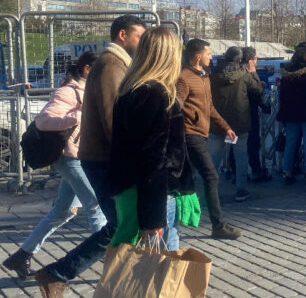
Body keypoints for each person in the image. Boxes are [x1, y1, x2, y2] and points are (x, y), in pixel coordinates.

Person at [35, 15, 146, 296]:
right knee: (122, 223)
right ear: (122, 35)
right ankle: (57, 273)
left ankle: (60, 271)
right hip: (103, 158)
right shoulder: (111, 65)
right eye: (138, 36)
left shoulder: (117, 63)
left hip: (100, 156)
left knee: (121, 223)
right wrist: (128, 160)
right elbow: (113, 119)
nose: (141, 42)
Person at [3, 52, 105, 279]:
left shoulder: (88, 90)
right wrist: (77, 118)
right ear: (88, 69)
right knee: (95, 204)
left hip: (80, 156)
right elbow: (44, 120)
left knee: (63, 211)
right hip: (69, 158)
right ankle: (110, 257)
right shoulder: (68, 91)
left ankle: (22, 255)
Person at [108, 27, 195, 251]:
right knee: (159, 266)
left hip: (132, 187)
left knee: (136, 257)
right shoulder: (158, 94)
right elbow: (154, 157)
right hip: (154, 193)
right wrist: (152, 216)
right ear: (169, 55)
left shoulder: (130, 90)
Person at [177, 39, 242, 240]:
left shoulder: (204, 76)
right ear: (197, 56)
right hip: (190, 135)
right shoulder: (183, 79)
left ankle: (176, 220)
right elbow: (175, 108)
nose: (211, 57)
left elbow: (210, 107)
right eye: (208, 54)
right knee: (211, 175)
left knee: (185, 178)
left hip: (201, 133)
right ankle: (218, 225)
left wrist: (226, 127)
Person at [210, 47, 263, 202]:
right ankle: (241, 189)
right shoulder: (244, 76)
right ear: (240, 61)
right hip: (239, 122)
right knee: (241, 156)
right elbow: (258, 89)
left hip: (218, 122)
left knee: (214, 158)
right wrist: (253, 72)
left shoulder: (214, 75)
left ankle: (211, 191)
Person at [278, 43, 306, 186]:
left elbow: (282, 95)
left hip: (291, 113)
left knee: (290, 143)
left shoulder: (286, 73)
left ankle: (287, 172)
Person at [242, 47, 271, 182]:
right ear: (250, 61)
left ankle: (236, 171)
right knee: (253, 143)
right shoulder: (248, 74)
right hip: (249, 112)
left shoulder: (236, 71)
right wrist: (255, 75)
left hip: (236, 114)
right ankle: (256, 170)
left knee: (237, 144)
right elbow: (256, 91)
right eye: (256, 59)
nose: (257, 61)